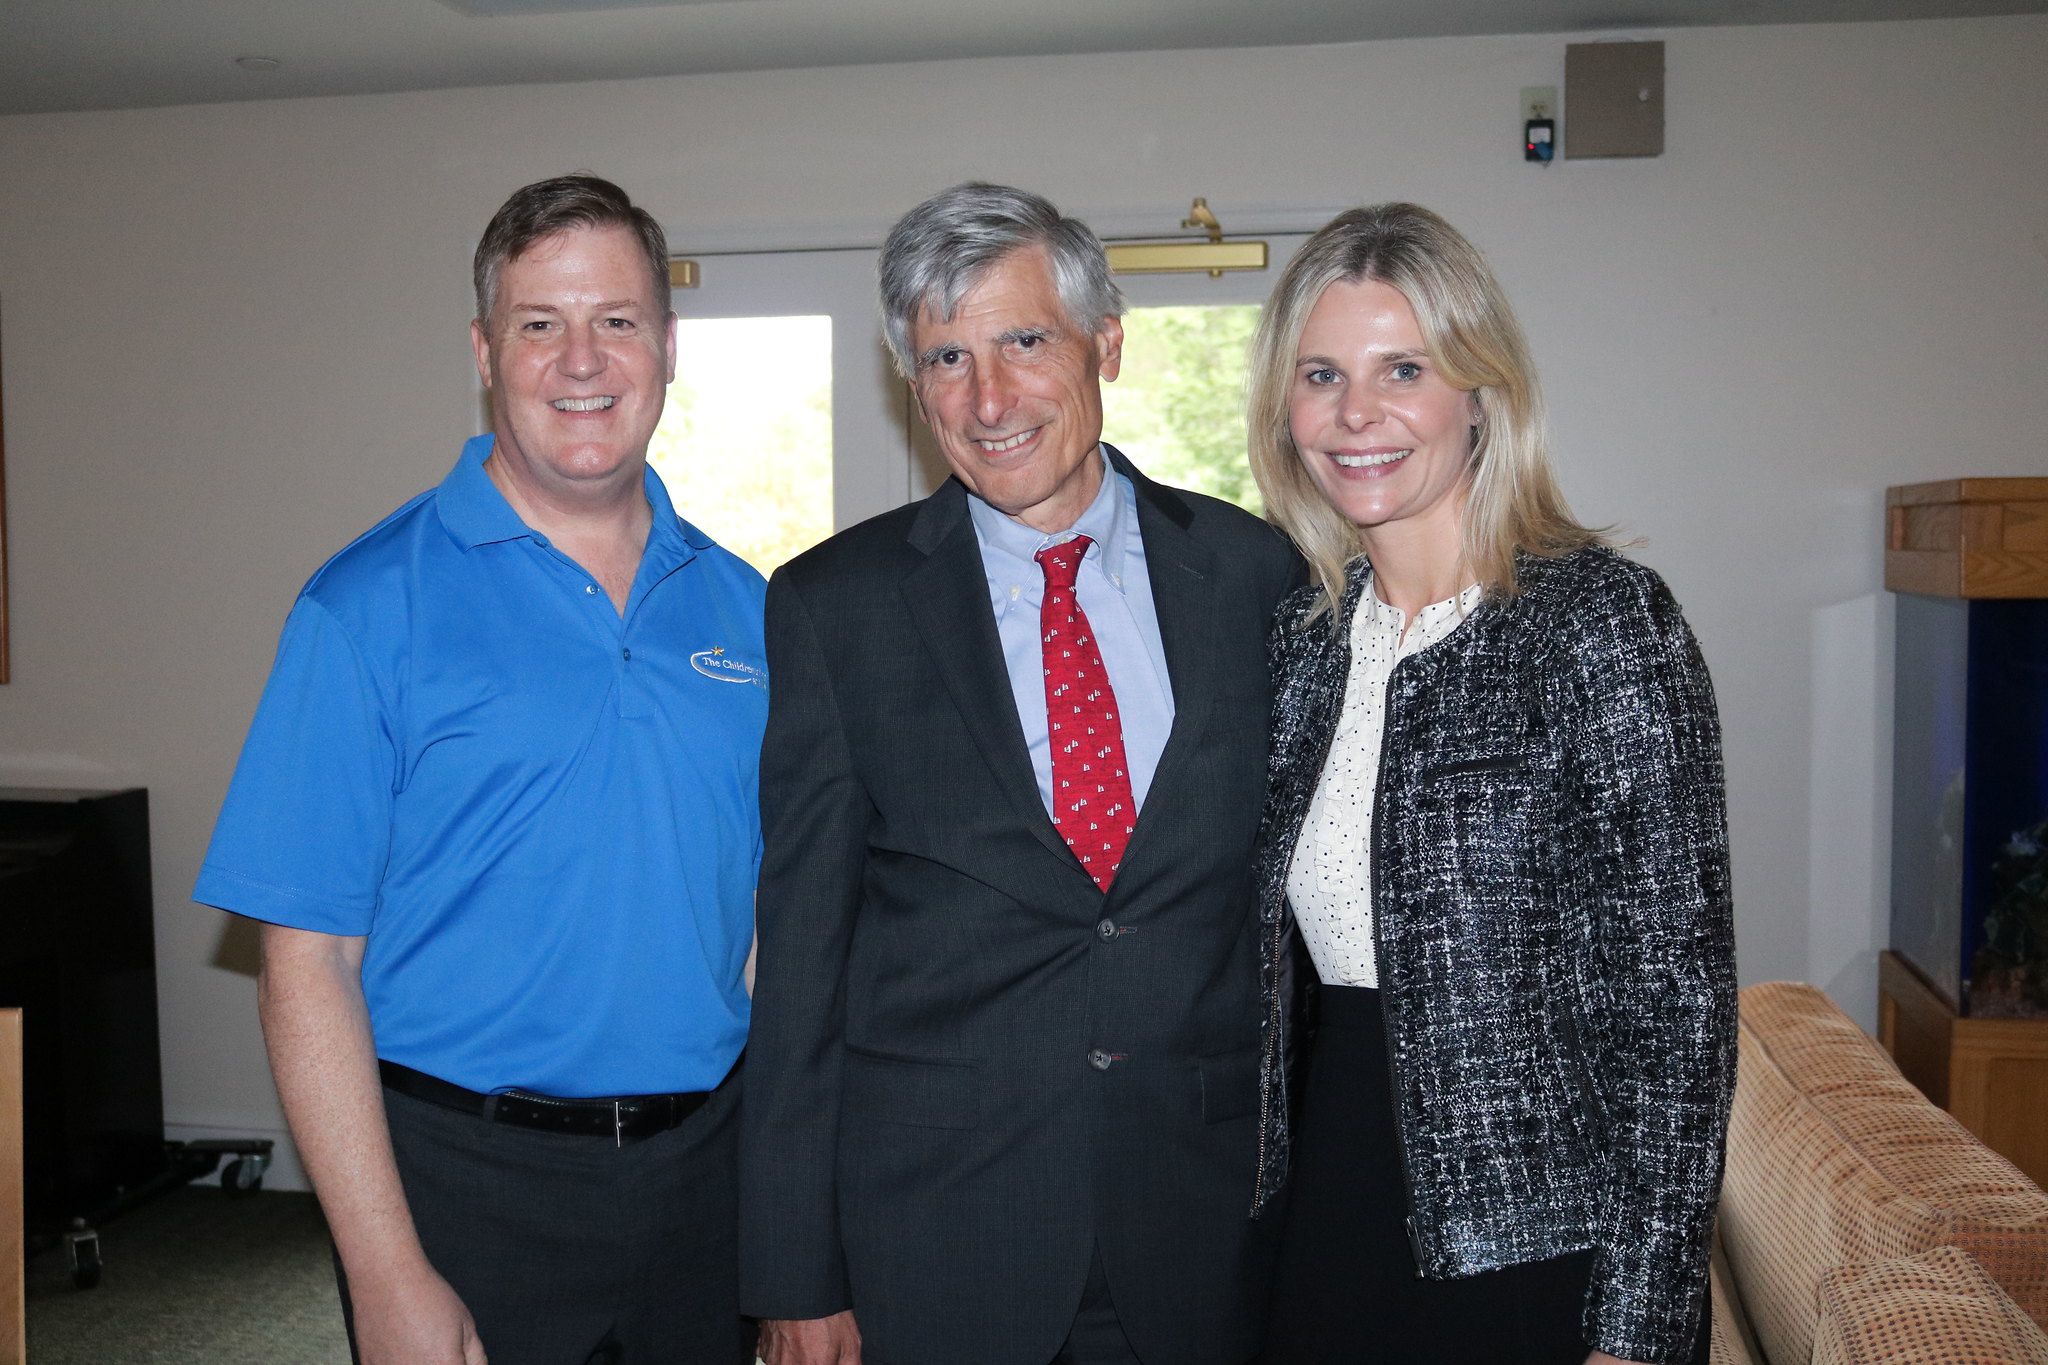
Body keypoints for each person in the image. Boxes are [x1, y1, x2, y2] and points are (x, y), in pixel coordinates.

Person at [193, 174, 765, 1365]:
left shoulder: (751, 610)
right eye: (537, 324)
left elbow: (763, 926)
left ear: (666, 345)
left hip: (708, 1184)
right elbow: (305, 968)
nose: (580, 360)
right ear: (483, 349)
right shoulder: (362, 607)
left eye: (615, 320)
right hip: (467, 1186)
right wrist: (384, 1269)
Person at [739, 182, 1302, 1365]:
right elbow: (799, 965)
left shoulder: (1256, 577)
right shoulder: (834, 609)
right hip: (934, 1238)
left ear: (1105, 343)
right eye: (945, 357)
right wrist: (793, 1273)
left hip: (1203, 1227)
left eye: (1022, 341)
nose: (987, 399)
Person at [1246, 204, 1735, 1365]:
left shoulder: (1597, 623)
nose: (1354, 414)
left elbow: (1680, 1013)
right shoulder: (1297, 645)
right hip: (1321, 1218)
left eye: (1400, 370)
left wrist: (1638, 1323)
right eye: (1320, 375)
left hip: (1536, 1256)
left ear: (1478, 392)